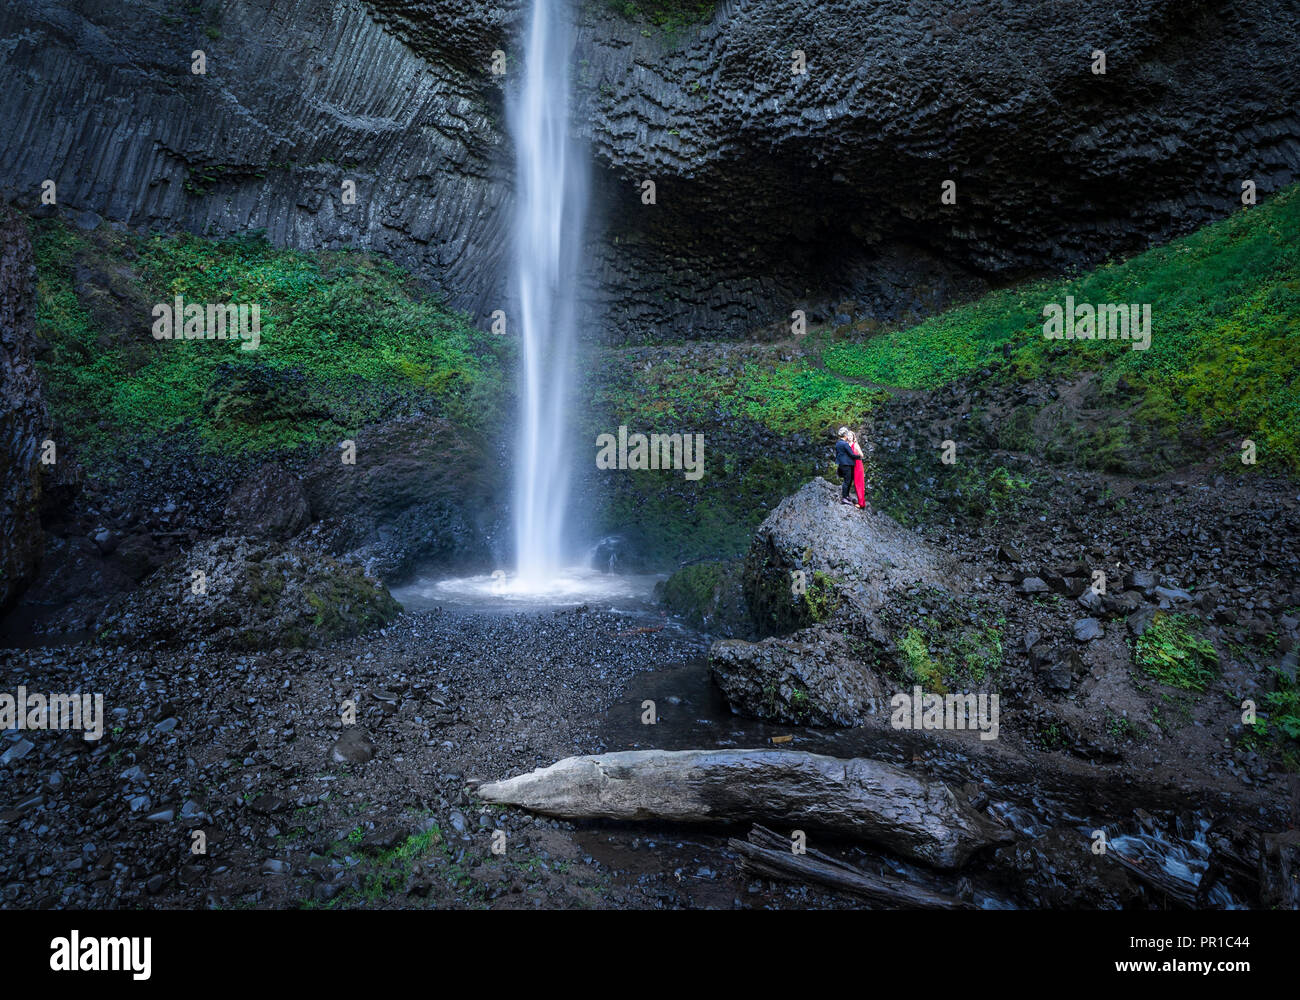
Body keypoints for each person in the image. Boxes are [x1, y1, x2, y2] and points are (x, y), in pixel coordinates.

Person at [833, 427, 857, 504]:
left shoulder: (838, 443)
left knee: (848, 480)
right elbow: (852, 454)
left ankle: (846, 496)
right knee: (847, 481)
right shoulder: (845, 444)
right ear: (845, 435)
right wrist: (860, 456)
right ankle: (844, 498)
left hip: (842, 464)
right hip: (846, 464)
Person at [846, 429, 867, 509]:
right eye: (848, 435)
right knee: (851, 482)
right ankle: (848, 497)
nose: (850, 437)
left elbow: (862, 455)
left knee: (859, 484)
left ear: (853, 437)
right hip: (851, 465)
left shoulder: (855, 445)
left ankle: (861, 504)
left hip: (857, 465)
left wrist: (855, 454)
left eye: (851, 435)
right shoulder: (847, 445)